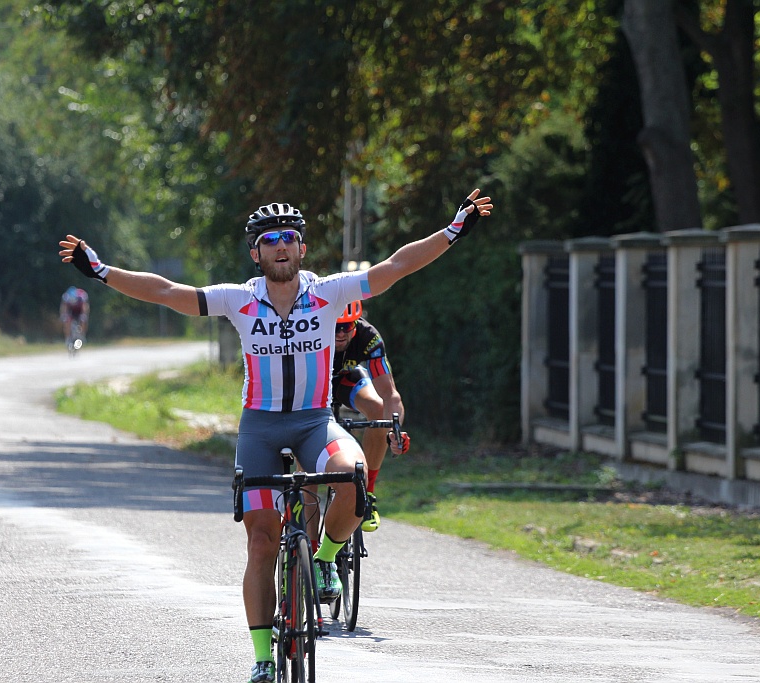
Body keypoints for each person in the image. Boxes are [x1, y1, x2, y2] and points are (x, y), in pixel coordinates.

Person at [58, 188, 492, 683]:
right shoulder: (239, 300)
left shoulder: (331, 293)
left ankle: (326, 556)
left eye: (289, 238)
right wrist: (101, 272)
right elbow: (165, 291)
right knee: (262, 543)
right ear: (256, 253)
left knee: (353, 477)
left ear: (302, 248)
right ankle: (263, 657)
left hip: (314, 423)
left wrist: (453, 231)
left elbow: (396, 266)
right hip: (260, 430)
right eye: (270, 240)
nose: (281, 246)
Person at [331, 299, 409, 532]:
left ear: (356, 322)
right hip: (314, 385)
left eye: (347, 326)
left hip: (346, 379)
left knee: (377, 407)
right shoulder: (309, 330)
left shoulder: (369, 337)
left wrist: (395, 432)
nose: (340, 333)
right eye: (335, 326)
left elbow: (390, 395)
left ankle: (368, 494)